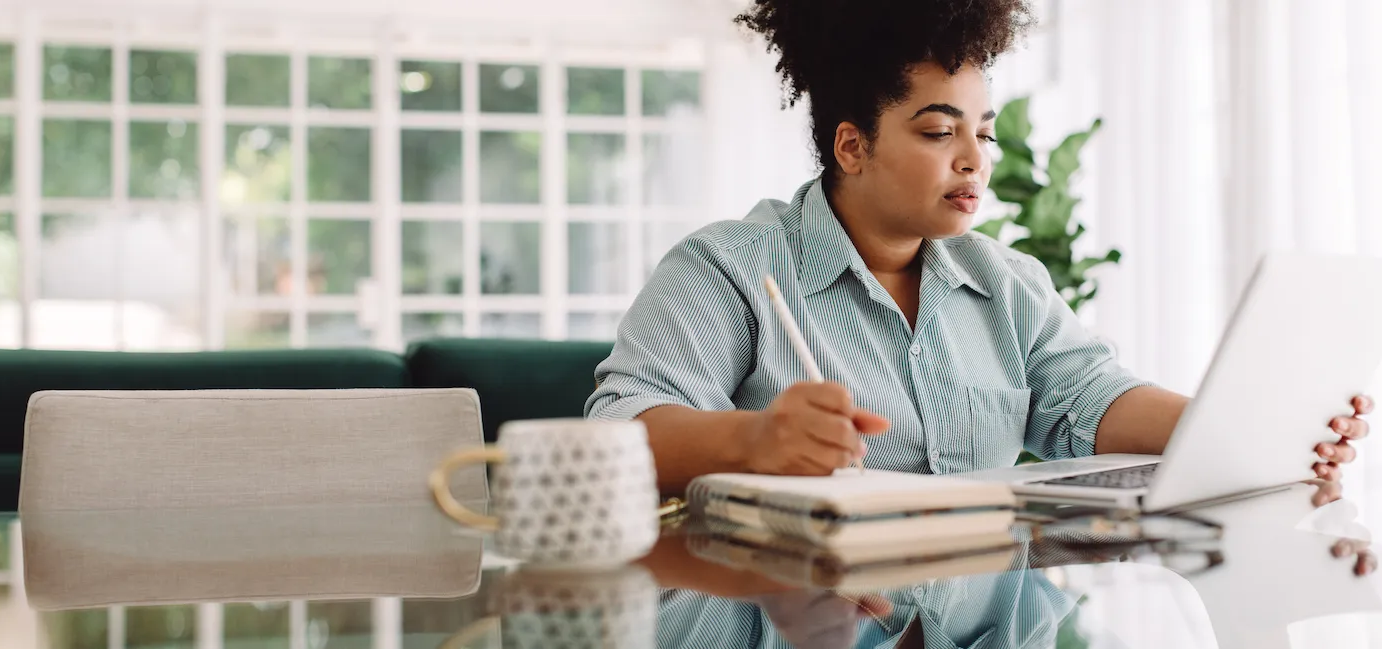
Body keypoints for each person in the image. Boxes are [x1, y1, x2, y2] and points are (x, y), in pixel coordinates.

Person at [584, 0, 1371, 495]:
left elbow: (1092, 399)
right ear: (851, 146)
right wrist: (754, 438)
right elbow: (619, 432)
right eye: (938, 131)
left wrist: (1241, 427)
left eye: (984, 132)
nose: (975, 160)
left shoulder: (1008, 282)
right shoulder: (727, 268)